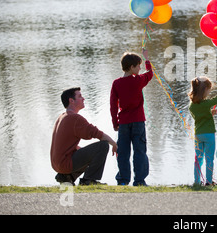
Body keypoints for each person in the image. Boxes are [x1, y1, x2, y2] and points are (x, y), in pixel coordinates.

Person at [51, 87, 117, 186]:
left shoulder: (62, 117)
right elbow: (98, 134)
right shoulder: (74, 118)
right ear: (71, 101)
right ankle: (88, 180)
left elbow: (67, 146)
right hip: (64, 164)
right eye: (80, 96)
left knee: (87, 152)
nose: (83, 99)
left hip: (57, 164)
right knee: (103, 146)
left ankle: (66, 177)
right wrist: (114, 144)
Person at [110, 49, 153, 186]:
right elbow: (150, 74)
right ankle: (139, 181)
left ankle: (123, 180)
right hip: (138, 122)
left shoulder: (116, 83)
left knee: (123, 152)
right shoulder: (138, 80)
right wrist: (147, 60)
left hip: (123, 123)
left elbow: (113, 105)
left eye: (141, 65)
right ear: (131, 67)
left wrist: (114, 122)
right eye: (138, 66)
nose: (140, 68)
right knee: (140, 151)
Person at [188, 76, 217, 185]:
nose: (209, 92)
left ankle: (197, 182)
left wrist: (210, 113)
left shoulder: (192, 105)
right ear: (204, 90)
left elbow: (199, 117)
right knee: (209, 159)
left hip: (198, 135)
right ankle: (209, 182)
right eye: (209, 89)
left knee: (198, 159)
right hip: (209, 135)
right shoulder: (206, 103)